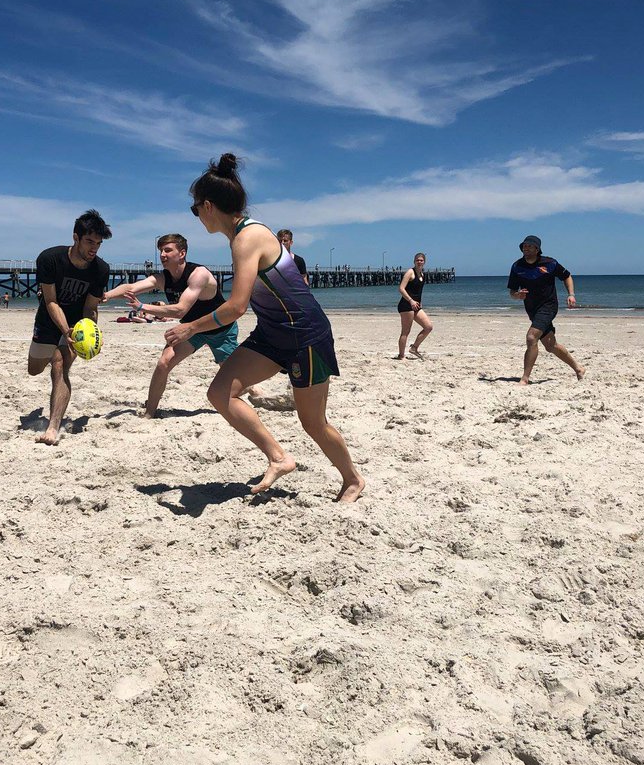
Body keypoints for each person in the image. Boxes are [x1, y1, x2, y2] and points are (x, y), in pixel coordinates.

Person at [165, 154, 364, 503]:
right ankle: (279, 457)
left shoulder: (248, 237)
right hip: (272, 332)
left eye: (195, 210)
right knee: (220, 393)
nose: (197, 216)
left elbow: (236, 307)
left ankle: (352, 480)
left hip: (305, 335)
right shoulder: (240, 236)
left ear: (208, 206)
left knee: (313, 423)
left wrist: (190, 328)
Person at [104, 234, 242, 417]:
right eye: (161, 250)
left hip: (220, 330)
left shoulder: (198, 274)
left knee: (235, 376)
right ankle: (150, 413)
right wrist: (106, 296)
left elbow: (180, 310)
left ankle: (255, 392)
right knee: (164, 363)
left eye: (168, 250)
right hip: (190, 330)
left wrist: (142, 306)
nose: (162, 254)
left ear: (182, 253)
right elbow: (131, 288)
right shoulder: (163, 278)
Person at [27, 210, 112, 445]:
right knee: (34, 369)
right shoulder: (50, 259)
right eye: (89, 242)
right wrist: (64, 330)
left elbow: (90, 307)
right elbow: (51, 301)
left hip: (77, 325)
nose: (94, 248)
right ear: (76, 237)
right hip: (48, 319)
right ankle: (50, 353)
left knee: (60, 364)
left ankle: (53, 428)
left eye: (98, 243)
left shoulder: (101, 269)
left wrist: (90, 333)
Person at [507, 235, 585, 385]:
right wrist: (517, 295)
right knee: (550, 345)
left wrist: (571, 294)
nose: (526, 248)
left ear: (537, 249)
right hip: (532, 309)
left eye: (529, 246)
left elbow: (567, 276)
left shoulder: (549, 263)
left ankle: (525, 378)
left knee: (531, 337)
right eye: (524, 246)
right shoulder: (517, 266)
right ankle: (578, 368)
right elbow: (512, 292)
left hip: (549, 306)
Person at [395, 252, 434, 360]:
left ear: (424, 262)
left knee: (428, 327)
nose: (419, 262)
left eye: (421, 260)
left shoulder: (422, 274)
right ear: (414, 261)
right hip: (406, 305)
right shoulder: (410, 272)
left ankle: (414, 348)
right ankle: (401, 356)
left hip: (416, 306)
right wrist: (411, 301)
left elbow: (418, 291)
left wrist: (420, 302)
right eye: (417, 260)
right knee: (405, 332)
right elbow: (401, 288)